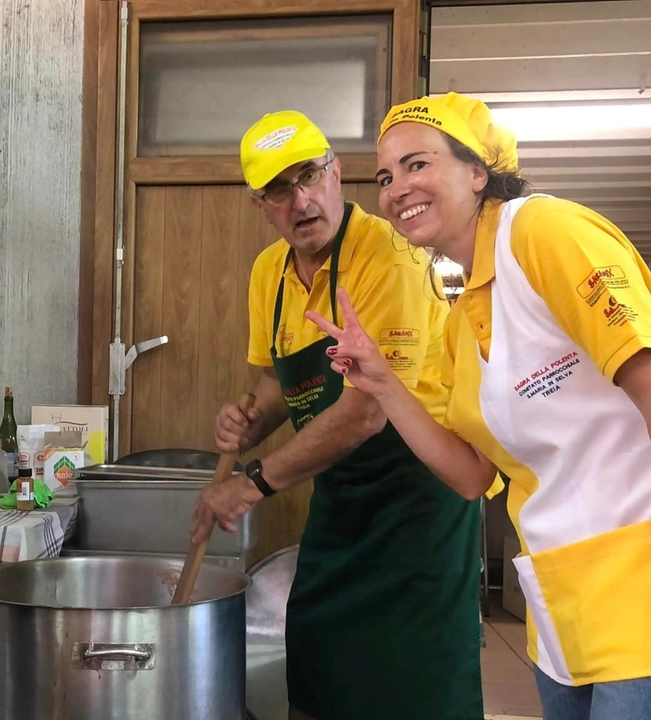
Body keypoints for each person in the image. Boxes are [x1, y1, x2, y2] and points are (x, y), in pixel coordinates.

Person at [308, 92, 651, 720]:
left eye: (417, 164)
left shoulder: (544, 232)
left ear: (479, 172)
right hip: (568, 605)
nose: (394, 189)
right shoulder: (459, 322)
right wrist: (385, 385)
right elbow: (471, 474)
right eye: (386, 176)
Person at [188, 110, 489, 720]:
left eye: (310, 175)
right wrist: (251, 418)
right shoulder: (268, 273)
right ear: (260, 204)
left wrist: (254, 483)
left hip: (421, 498)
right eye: (279, 189)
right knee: (318, 656)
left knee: (414, 678)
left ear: (337, 172)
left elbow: (365, 413)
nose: (300, 200)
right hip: (344, 494)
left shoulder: (391, 258)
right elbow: (275, 379)